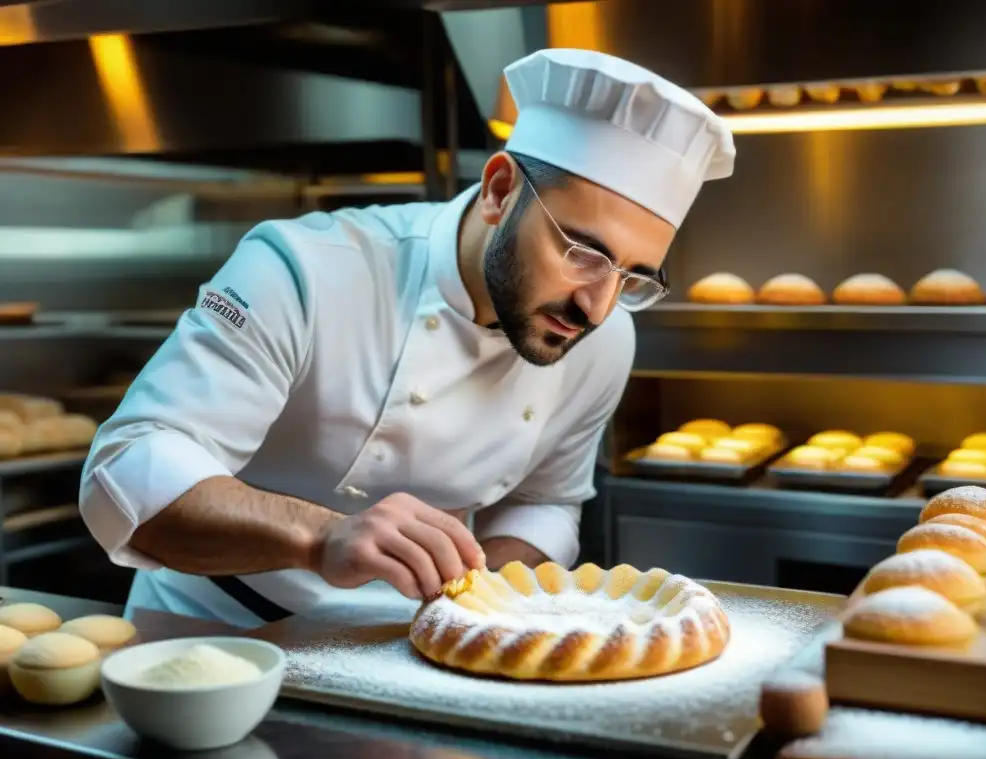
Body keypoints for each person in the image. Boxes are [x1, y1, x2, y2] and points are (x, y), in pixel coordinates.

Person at [78, 48, 735, 628]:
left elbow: (546, 502)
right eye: (583, 252)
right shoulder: (307, 270)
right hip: (215, 636)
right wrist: (320, 537)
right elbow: (129, 465)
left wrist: (479, 602)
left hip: (410, 646)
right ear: (500, 191)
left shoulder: (607, 337)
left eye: (632, 276)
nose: (597, 304)